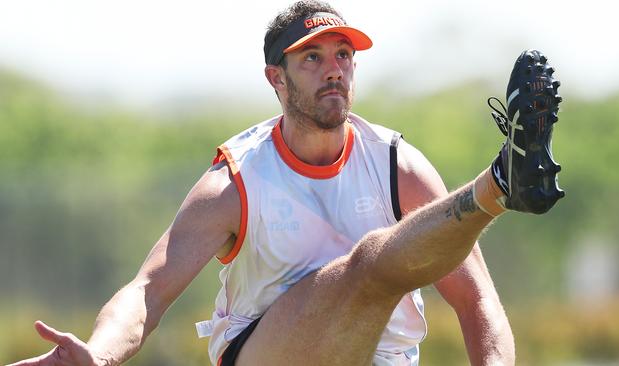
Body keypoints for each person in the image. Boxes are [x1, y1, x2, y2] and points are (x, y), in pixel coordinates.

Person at [9, 1, 564, 365]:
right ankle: (497, 185)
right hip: (270, 354)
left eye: (344, 55)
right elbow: (148, 291)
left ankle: (499, 183)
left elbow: (478, 303)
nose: (334, 69)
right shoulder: (235, 180)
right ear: (276, 78)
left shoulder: (399, 165)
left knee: (375, 267)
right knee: (371, 264)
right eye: (313, 57)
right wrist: (101, 355)